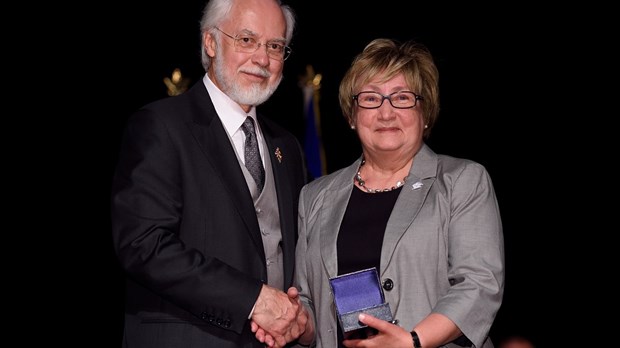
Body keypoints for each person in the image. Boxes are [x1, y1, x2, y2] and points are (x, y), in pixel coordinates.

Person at [110, 0, 309, 347]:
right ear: (211, 43)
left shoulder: (287, 146)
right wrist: (253, 299)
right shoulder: (161, 126)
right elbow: (143, 244)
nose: (262, 59)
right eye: (247, 40)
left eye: (274, 46)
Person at [291, 38, 505, 347]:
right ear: (352, 116)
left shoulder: (462, 181)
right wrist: (299, 322)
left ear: (425, 112)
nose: (386, 112)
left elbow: (478, 285)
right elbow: (311, 302)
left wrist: (412, 341)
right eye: (370, 98)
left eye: (402, 98)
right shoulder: (314, 196)